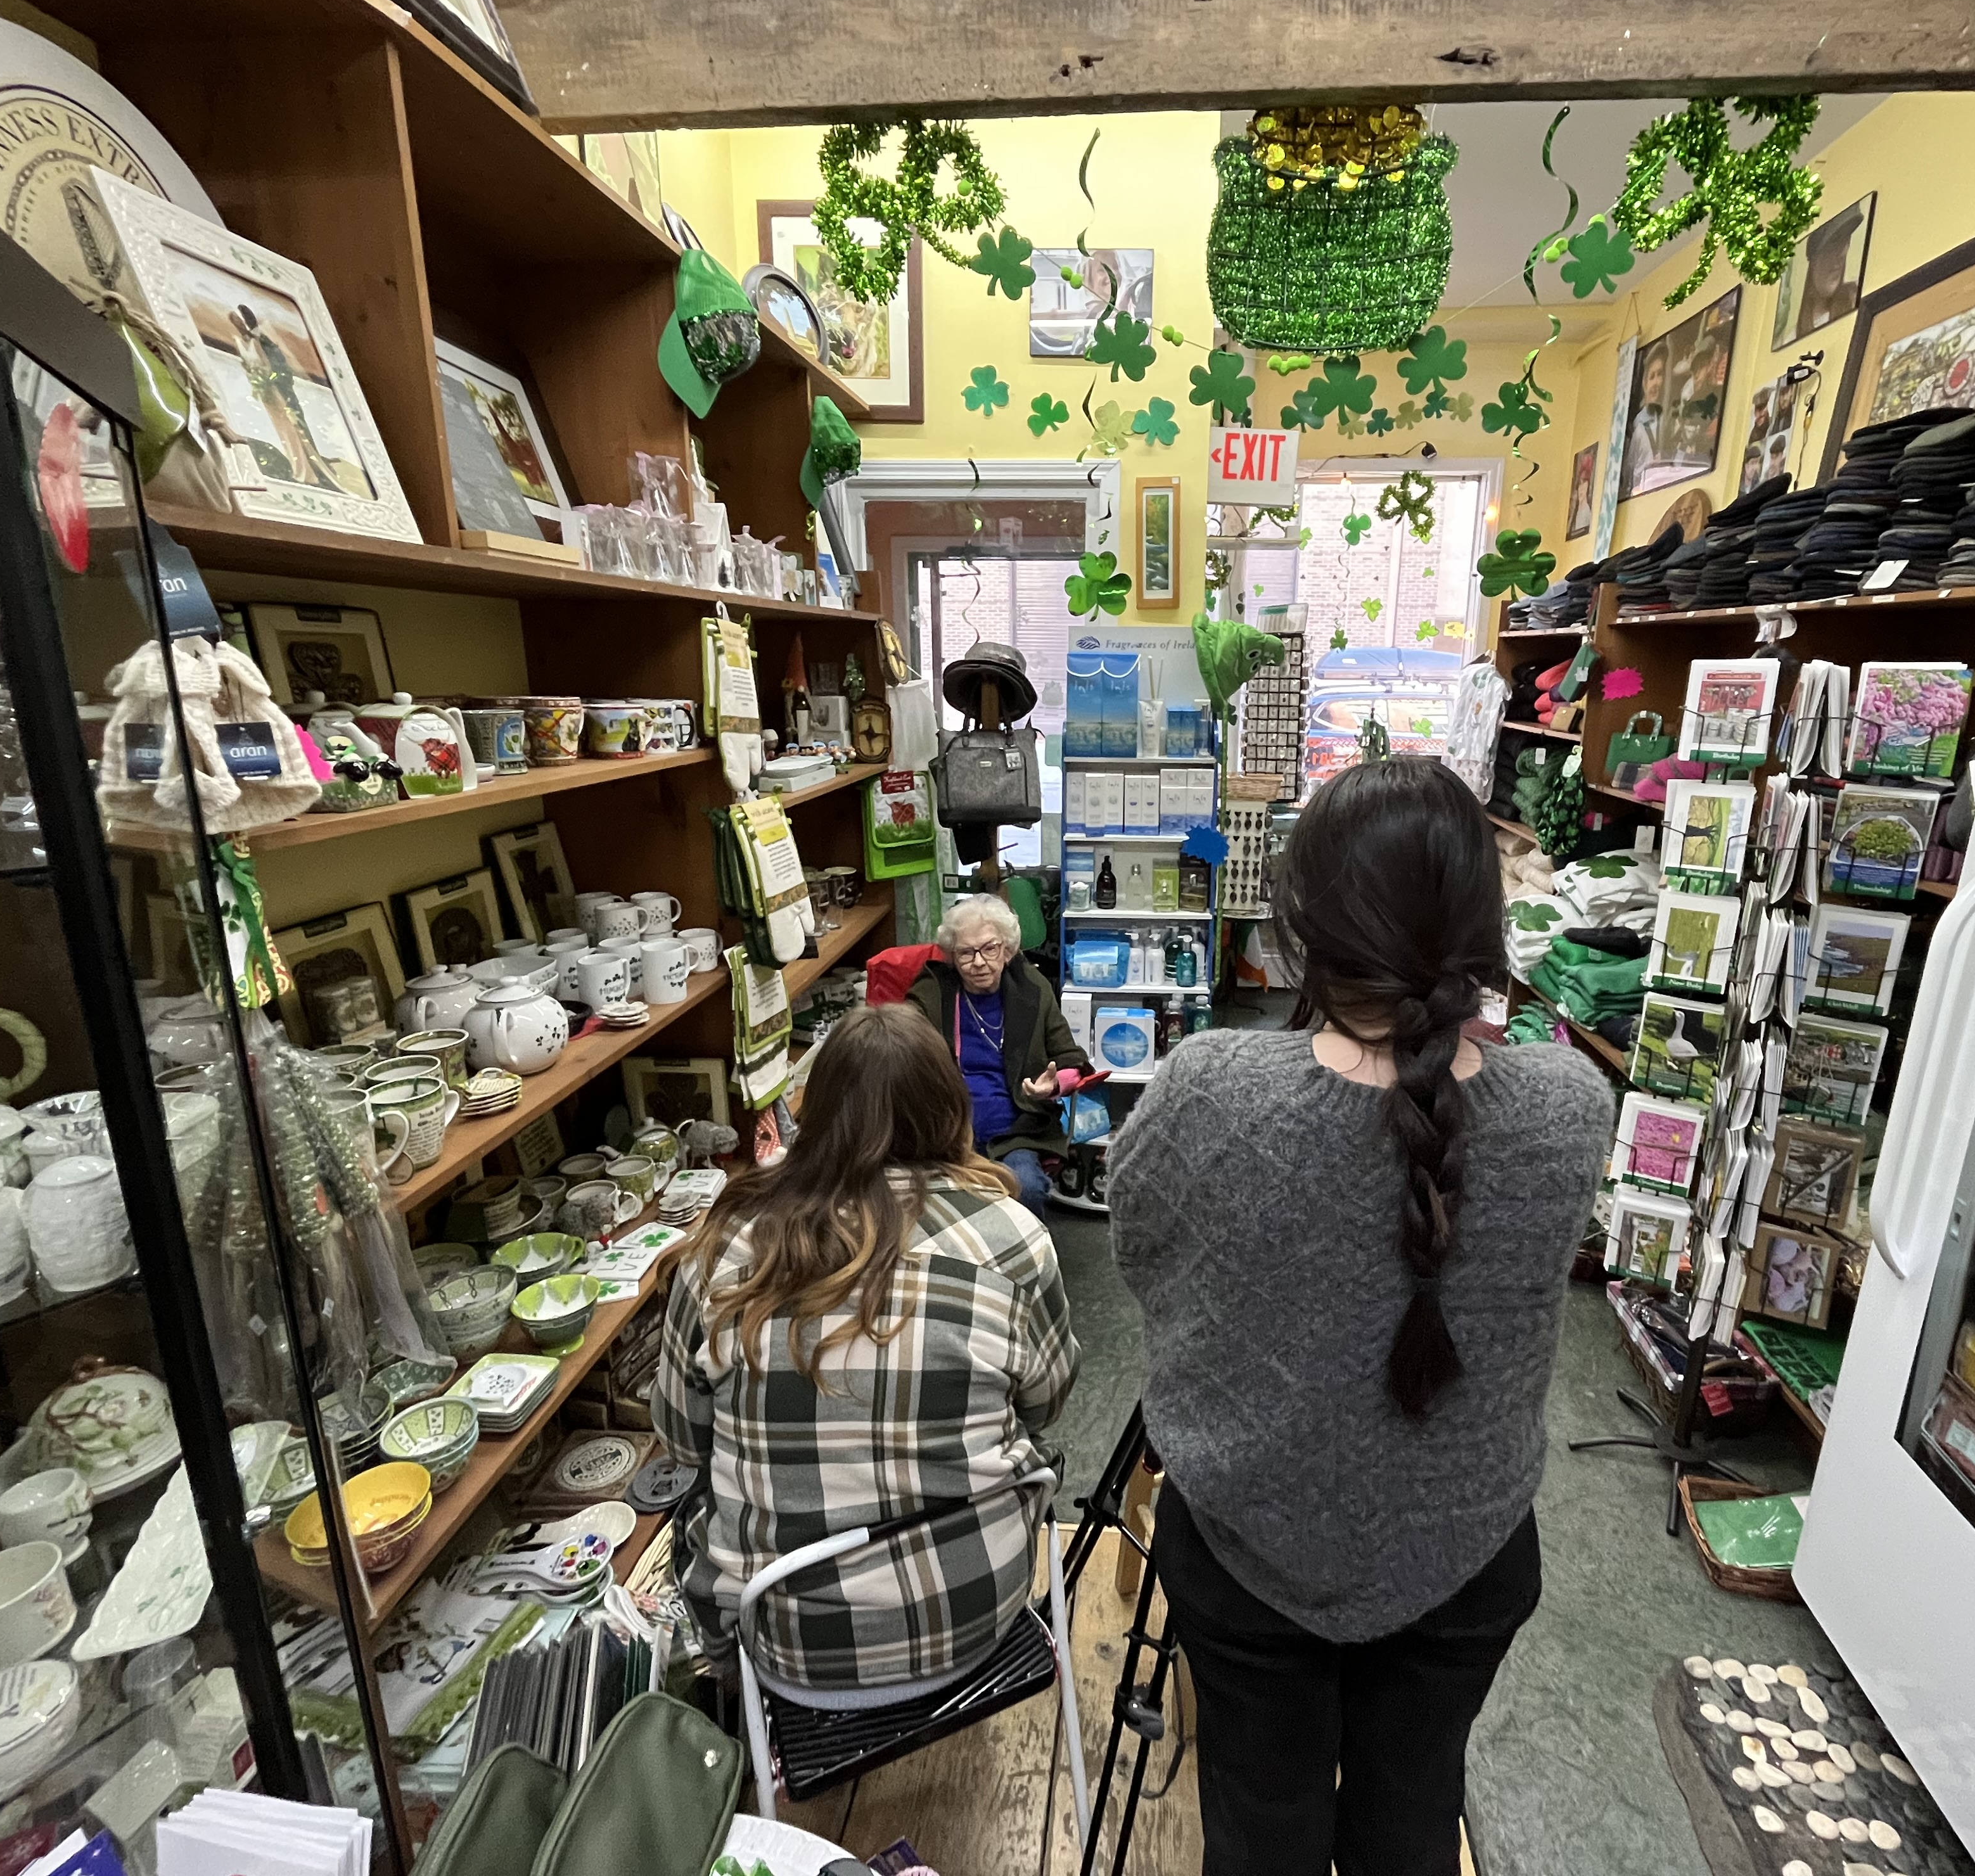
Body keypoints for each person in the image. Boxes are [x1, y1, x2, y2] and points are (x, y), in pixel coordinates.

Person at [1109, 757, 1611, 1876]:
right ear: (1487, 921)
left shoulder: (1211, 1089)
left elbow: (1142, 1253)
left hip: (1246, 1538)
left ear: (1305, 922)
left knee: (1258, 1822)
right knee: (1415, 1814)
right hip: (1467, 1544)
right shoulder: (1570, 1108)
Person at [655, 1003, 1078, 1702]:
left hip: (791, 1640)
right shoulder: (1012, 1236)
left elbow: (681, 1440)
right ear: (950, 1106)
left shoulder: (723, 1249)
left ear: (814, 1113)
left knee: (701, 1510)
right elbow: (1047, 1401)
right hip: (978, 1605)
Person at [905, 892, 1089, 1215]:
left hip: (1015, 1133)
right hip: (947, 1133)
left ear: (1007, 949)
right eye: (966, 952)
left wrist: (1054, 1084)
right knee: (925, 1200)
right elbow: (898, 1043)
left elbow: (1073, 1062)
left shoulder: (1033, 989)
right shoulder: (933, 992)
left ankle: (1024, 1261)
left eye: (989, 948)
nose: (978, 962)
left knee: (1026, 1188)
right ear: (952, 955)